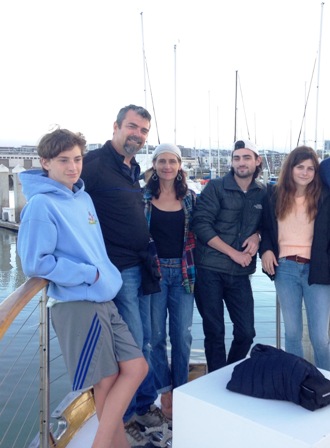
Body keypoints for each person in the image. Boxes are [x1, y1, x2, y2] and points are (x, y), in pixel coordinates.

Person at [17, 128, 149, 448]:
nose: (73, 167)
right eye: (64, 160)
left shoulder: (83, 196)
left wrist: (102, 276)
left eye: (77, 159)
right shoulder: (41, 205)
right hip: (77, 303)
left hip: (103, 298)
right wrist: (87, 274)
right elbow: (35, 264)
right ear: (45, 162)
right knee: (105, 383)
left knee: (136, 367)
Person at [81, 105, 171, 447]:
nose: (138, 134)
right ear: (116, 126)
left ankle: (142, 404)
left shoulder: (131, 168)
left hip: (139, 267)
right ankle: (130, 413)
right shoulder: (92, 165)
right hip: (114, 269)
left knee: (144, 338)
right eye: (133, 127)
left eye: (144, 130)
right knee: (132, 343)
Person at [193, 139, 265, 372]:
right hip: (210, 269)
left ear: (257, 161)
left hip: (240, 273)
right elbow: (201, 225)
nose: (241, 162)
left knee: (246, 332)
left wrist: (258, 235)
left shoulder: (263, 192)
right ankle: (215, 381)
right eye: (237, 158)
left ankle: (229, 373)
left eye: (246, 157)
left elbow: (271, 223)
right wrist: (233, 253)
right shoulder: (215, 187)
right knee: (214, 331)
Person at [260, 146, 330, 370]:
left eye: (311, 168)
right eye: (300, 167)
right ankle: (297, 381)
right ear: (290, 168)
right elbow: (265, 229)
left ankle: (326, 384)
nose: (305, 172)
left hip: (317, 270)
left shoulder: (324, 197)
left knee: (320, 337)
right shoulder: (274, 194)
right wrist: (266, 250)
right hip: (285, 269)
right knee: (292, 333)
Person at [143, 143, 196, 419]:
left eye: (172, 161)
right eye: (161, 161)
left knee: (182, 336)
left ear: (179, 166)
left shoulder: (190, 199)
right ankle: (165, 392)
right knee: (154, 337)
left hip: (184, 273)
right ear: (154, 165)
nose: (167, 166)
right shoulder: (143, 198)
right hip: (155, 273)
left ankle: (182, 392)